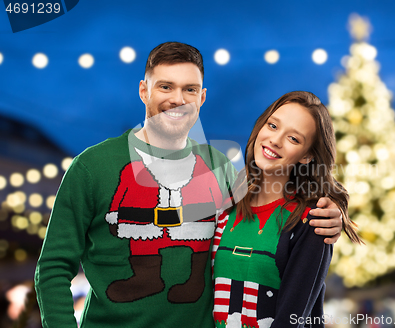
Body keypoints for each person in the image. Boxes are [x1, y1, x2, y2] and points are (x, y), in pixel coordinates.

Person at [34, 42, 343, 327]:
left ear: (202, 97)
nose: (177, 99)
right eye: (165, 86)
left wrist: (333, 213)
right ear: (144, 90)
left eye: (189, 89)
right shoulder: (91, 167)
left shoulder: (220, 167)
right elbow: (53, 268)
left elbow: (271, 203)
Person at [212, 91, 362, 328]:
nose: (275, 140)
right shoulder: (223, 207)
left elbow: (292, 321)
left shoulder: (311, 222)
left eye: (294, 139)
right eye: (272, 126)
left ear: (307, 156)